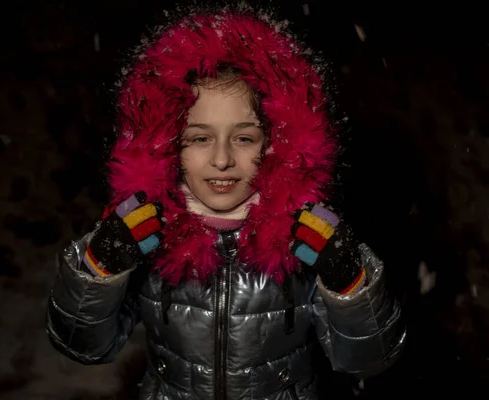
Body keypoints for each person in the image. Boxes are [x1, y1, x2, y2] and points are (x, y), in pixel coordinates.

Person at [46, 4, 405, 399]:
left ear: (277, 144)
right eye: (199, 138)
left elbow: (369, 360)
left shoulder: (302, 238)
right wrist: (100, 268)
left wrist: (349, 283)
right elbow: (81, 345)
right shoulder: (150, 232)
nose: (221, 159)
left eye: (244, 138)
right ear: (166, 145)